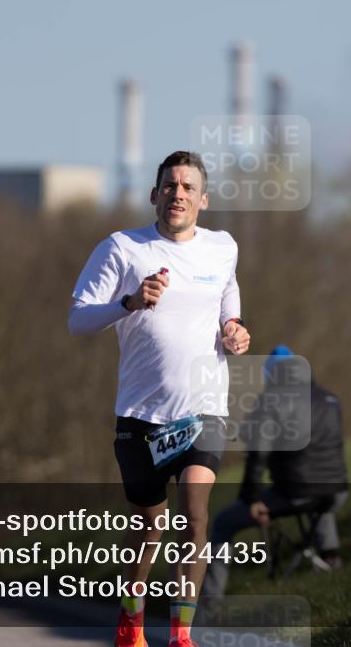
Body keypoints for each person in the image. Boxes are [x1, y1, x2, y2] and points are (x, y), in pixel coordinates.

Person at [69, 151, 250, 647]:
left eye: (189, 187)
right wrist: (129, 303)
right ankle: (130, 621)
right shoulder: (124, 248)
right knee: (149, 526)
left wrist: (232, 327)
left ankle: (181, 634)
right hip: (142, 416)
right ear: (155, 195)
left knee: (194, 510)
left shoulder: (221, 248)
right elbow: (78, 318)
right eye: (170, 186)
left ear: (203, 200)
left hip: (204, 407)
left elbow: (227, 293)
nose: (179, 194)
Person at [201, 346, 348, 598]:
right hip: (337, 491)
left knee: (223, 523)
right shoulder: (329, 399)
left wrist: (252, 498)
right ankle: (330, 558)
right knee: (319, 495)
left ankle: (209, 602)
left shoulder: (272, 401)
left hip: (294, 492)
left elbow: (257, 454)